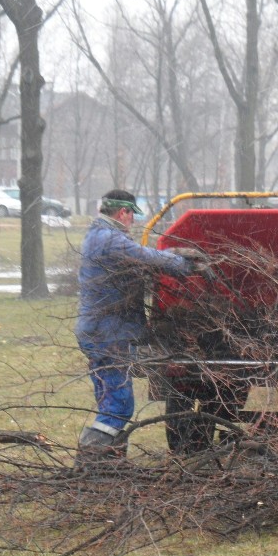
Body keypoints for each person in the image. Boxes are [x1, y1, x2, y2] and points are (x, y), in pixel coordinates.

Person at [75, 189, 211, 463]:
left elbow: (141, 258)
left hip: (101, 331)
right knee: (119, 405)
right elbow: (145, 258)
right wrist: (186, 266)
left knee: (110, 403)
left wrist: (172, 253)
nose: (133, 222)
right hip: (107, 334)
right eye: (131, 216)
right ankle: (92, 461)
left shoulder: (99, 237)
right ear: (123, 213)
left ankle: (104, 461)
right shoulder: (109, 239)